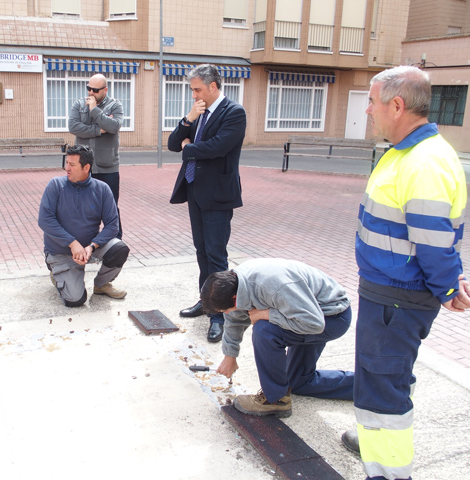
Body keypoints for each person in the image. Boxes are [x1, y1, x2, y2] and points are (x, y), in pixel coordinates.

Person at [343, 65, 470, 480]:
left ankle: (388, 472)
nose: (367, 111)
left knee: (382, 390)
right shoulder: (407, 153)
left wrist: (449, 283)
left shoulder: (423, 162)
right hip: (391, 295)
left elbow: (434, 241)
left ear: (396, 105)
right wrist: (449, 281)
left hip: (397, 298)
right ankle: (372, 440)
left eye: (372, 102)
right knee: (387, 376)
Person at [201, 258, 354, 418]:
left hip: (331, 316)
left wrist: (267, 314)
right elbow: (234, 319)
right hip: (301, 313)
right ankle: (369, 386)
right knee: (298, 382)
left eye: (225, 310)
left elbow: (314, 324)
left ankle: (276, 400)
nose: (226, 314)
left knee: (264, 330)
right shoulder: (236, 285)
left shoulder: (272, 284)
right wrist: (229, 356)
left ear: (234, 299)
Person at [167, 64, 247, 343]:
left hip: (218, 194)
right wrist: (188, 120)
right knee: (201, 251)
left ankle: (219, 315)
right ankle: (206, 301)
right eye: (192, 90)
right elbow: (172, 144)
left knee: (216, 255)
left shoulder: (234, 113)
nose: (194, 95)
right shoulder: (198, 113)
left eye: (198, 89)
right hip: (195, 191)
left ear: (213, 87)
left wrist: (190, 148)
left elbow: (217, 147)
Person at [38, 144, 130, 307]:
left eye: (72, 165)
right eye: (67, 163)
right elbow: (45, 220)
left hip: (89, 250)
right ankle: (58, 273)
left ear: (86, 167)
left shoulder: (102, 189)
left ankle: (101, 284)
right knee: (75, 300)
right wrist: (73, 244)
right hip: (60, 252)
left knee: (119, 248)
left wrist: (91, 247)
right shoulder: (55, 186)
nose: (67, 168)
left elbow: (112, 225)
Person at [69, 73, 124, 239]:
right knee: (82, 206)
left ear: (105, 90)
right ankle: (85, 243)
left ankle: (115, 244)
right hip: (84, 166)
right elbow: (73, 127)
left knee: (110, 206)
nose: (91, 93)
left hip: (108, 166)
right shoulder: (79, 104)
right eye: (89, 88)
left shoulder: (115, 106)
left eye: (95, 89)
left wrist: (94, 111)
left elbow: (114, 126)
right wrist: (99, 130)